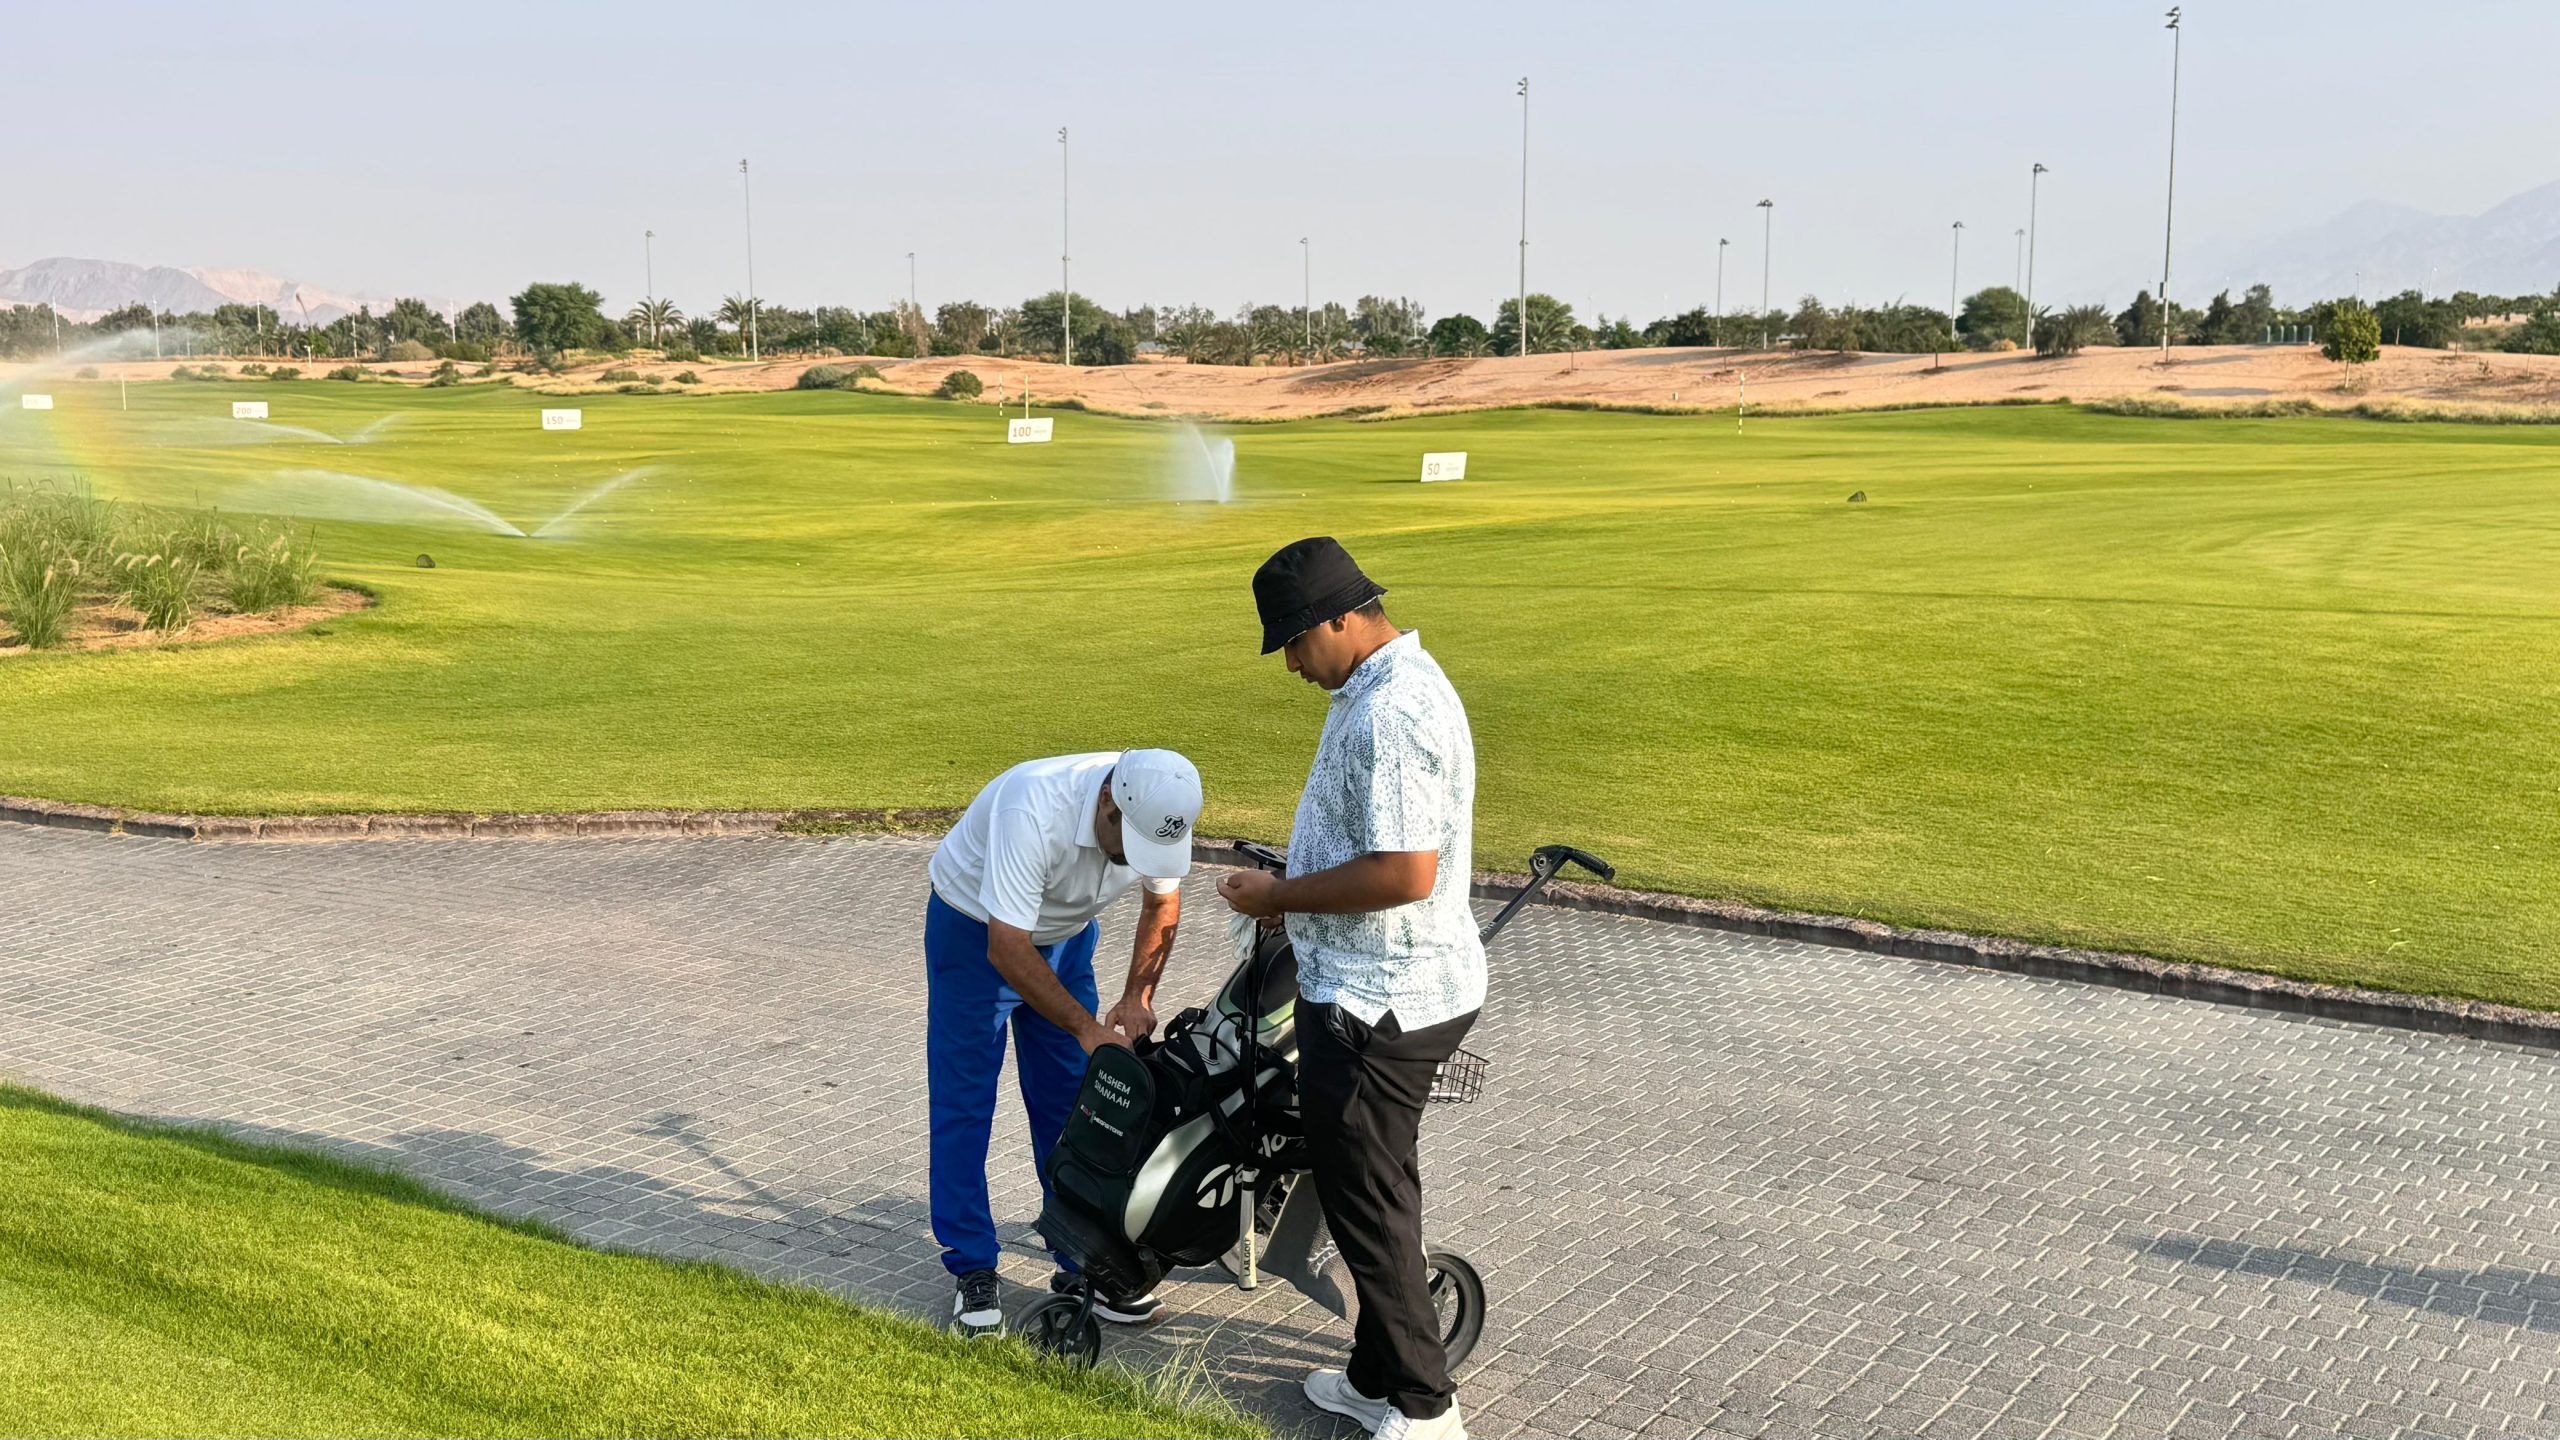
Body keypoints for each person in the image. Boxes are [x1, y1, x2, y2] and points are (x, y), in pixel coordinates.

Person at [1218, 537, 1479, 1440]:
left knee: (1368, 1202)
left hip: (1382, 1000)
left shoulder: (1391, 711)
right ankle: (1375, 1379)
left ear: (1338, 619)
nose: (1291, 663)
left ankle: (1426, 1410)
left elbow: (1406, 872)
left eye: (1294, 641)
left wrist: (1281, 896)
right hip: (1378, 985)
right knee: (1375, 1187)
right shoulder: (1375, 688)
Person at [924, 748, 1202, 1339]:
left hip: (1066, 939)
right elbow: (1007, 947)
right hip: (974, 933)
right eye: (1130, 844)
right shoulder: (1032, 806)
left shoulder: (1159, 804)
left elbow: (1162, 901)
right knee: (964, 1104)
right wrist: (1086, 1028)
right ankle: (972, 1265)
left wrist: (1138, 995)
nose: (1137, 860)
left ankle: (1081, 1260)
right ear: (1107, 801)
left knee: (1074, 1106)